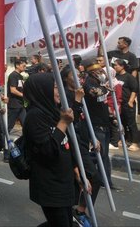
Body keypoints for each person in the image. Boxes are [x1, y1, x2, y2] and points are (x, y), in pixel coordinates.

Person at [23, 73, 83, 227]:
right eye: (55, 87)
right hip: (50, 186)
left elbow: (67, 143)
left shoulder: (53, 111)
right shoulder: (34, 117)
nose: (59, 91)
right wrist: (62, 123)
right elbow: (47, 150)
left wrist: (76, 169)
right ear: (42, 90)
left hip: (64, 182)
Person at [61, 65, 100, 227]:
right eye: (74, 74)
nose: (78, 76)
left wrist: (93, 136)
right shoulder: (64, 95)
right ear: (65, 78)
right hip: (72, 142)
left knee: (79, 180)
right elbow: (72, 120)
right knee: (92, 176)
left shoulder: (80, 92)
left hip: (83, 140)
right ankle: (79, 210)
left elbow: (85, 118)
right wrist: (77, 99)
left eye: (79, 74)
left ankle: (73, 211)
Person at [83, 59, 119, 191]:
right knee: (100, 155)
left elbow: (102, 102)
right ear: (92, 72)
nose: (102, 71)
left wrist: (112, 117)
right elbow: (95, 92)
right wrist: (106, 88)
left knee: (103, 156)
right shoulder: (89, 83)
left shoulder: (100, 82)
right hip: (96, 125)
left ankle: (104, 180)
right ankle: (102, 180)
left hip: (105, 123)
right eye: (99, 70)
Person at [113, 59, 139, 151]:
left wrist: (131, 101)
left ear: (122, 66)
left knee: (131, 123)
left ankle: (135, 143)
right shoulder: (115, 76)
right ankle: (124, 139)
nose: (114, 67)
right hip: (119, 103)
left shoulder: (129, 77)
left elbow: (135, 89)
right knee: (122, 122)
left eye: (116, 65)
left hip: (128, 103)